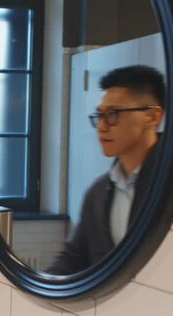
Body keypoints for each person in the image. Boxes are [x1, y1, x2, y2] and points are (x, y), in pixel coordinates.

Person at [47, 65, 165, 275]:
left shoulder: (165, 183)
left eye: (113, 114)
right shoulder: (98, 192)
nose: (101, 126)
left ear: (152, 117)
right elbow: (74, 257)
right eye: (99, 115)